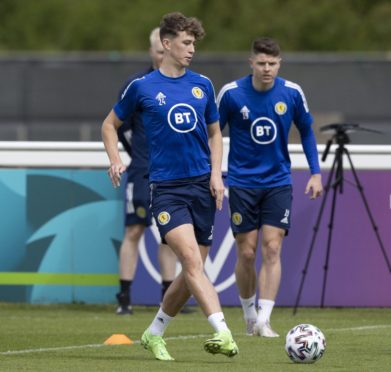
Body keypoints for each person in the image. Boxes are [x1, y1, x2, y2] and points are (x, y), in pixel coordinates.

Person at [102, 12, 238, 361]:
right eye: (186, 42)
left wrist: (216, 174)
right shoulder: (142, 87)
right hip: (166, 189)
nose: (192, 49)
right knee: (192, 261)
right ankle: (223, 332)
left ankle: (154, 332)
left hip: (202, 188)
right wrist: (115, 159)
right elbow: (109, 124)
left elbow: (214, 133)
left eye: (194, 43)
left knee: (192, 274)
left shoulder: (203, 85)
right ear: (166, 43)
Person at [217, 37, 323, 337]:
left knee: (273, 247)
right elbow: (211, 132)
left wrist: (316, 173)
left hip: (278, 182)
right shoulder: (232, 94)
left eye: (272, 63)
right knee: (247, 253)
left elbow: (306, 132)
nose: (267, 69)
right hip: (241, 183)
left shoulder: (291, 93)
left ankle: (264, 319)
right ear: (251, 62)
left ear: (280, 63)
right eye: (261, 63)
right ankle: (249, 314)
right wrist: (212, 173)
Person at [115, 27, 192, 315]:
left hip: (172, 173)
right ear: (153, 51)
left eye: (166, 51)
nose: (163, 56)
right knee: (134, 229)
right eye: (159, 52)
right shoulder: (137, 84)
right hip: (141, 171)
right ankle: (124, 297)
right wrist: (135, 155)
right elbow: (117, 127)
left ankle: (168, 296)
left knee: (170, 236)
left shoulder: (186, 84)